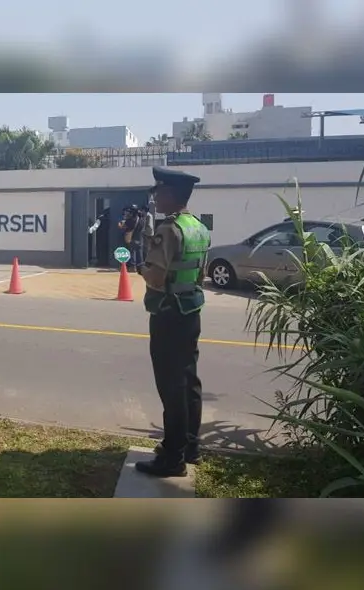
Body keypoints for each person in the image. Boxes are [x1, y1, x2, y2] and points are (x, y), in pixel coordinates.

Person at [137, 166, 211, 478]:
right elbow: (200, 273)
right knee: (189, 379)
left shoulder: (168, 230)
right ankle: (191, 445)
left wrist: (140, 267)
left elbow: (155, 277)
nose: (155, 197)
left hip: (167, 313)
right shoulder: (198, 226)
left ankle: (172, 456)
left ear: (170, 194)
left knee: (171, 386)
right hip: (190, 311)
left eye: (158, 192)